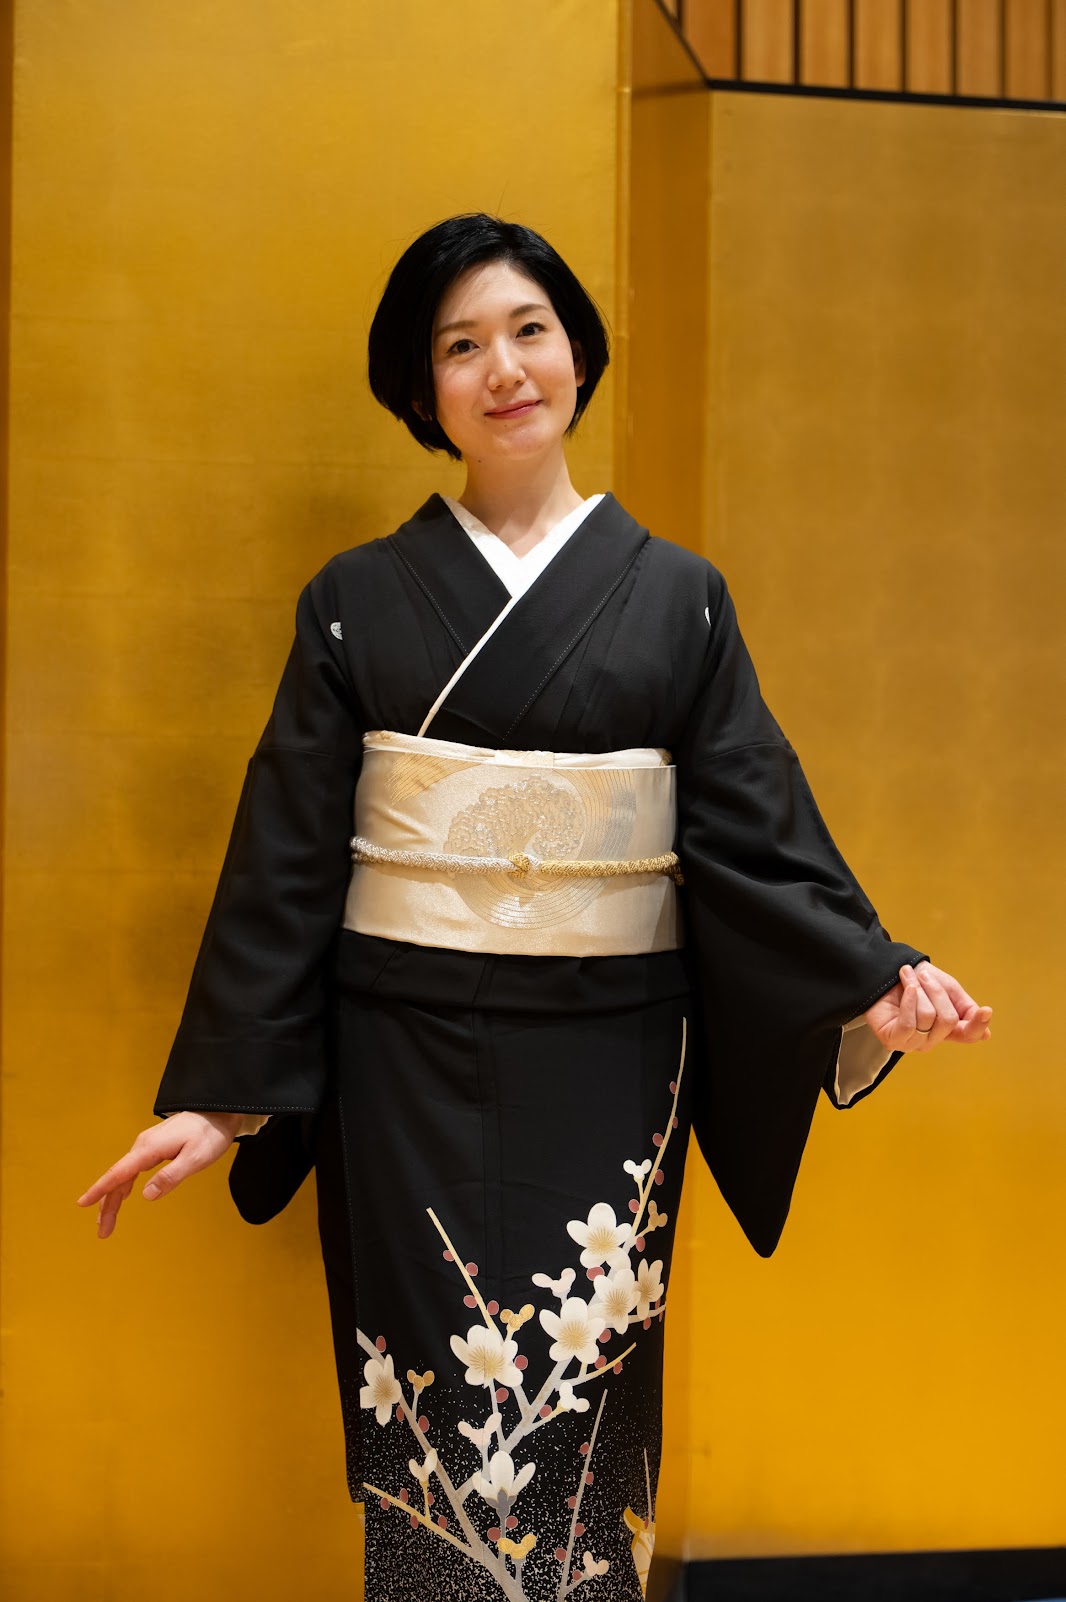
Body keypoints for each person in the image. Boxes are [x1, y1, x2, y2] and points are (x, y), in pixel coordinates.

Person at [77, 212, 991, 1602]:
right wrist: (224, 1095)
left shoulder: (679, 600)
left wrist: (866, 981)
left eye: (529, 331)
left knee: (581, 1396)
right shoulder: (355, 602)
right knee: (432, 1408)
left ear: (576, 352)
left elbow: (752, 831)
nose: (503, 369)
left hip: (611, 1059)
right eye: (461, 346)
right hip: (401, 1067)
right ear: (420, 385)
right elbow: (287, 855)